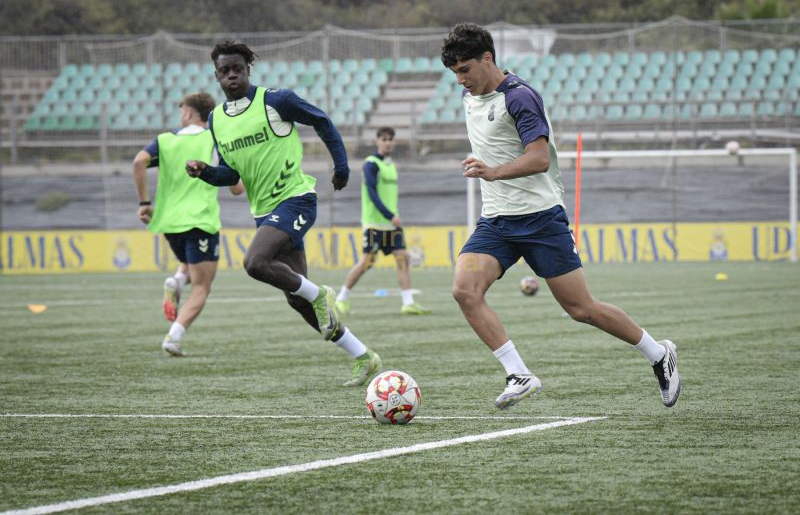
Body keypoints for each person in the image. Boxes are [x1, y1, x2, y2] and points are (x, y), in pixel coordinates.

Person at [440, 23, 680, 409]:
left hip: (540, 219)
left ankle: (658, 353)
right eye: (454, 73)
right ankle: (519, 373)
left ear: (488, 58)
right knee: (465, 291)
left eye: (465, 69)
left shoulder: (520, 98)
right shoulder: (469, 98)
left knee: (581, 309)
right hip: (496, 221)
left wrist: (492, 171)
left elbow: (538, 158)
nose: (460, 79)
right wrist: (492, 175)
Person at [185, 40, 382, 386]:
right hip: (264, 212)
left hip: (295, 199)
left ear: (248, 70)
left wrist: (341, 167)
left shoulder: (276, 101)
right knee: (296, 298)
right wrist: (204, 171)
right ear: (216, 75)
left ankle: (321, 293)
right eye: (224, 71)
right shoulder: (216, 120)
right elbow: (231, 175)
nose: (231, 75)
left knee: (255, 263)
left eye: (238, 69)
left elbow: (322, 121)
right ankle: (364, 356)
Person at [133, 92, 244, 357]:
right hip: (200, 221)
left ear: (188, 113)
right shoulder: (215, 139)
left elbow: (139, 162)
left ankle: (176, 280)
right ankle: (174, 336)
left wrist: (144, 203)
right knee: (202, 286)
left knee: (190, 266)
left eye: (181, 109)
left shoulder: (165, 140)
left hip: (170, 224)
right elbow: (237, 188)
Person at [335, 127, 431, 316]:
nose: (387, 142)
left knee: (402, 259)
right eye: (384, 139)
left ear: (394, 142)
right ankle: (341, 298)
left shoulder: (390, 165)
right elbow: (372, 194)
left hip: (391, 224)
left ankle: (408, 302)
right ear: (377, 141)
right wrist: (389, 215)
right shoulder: (371, 164)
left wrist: (391, 217)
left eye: (390, 139)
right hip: (375, 223)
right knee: (366, 263)